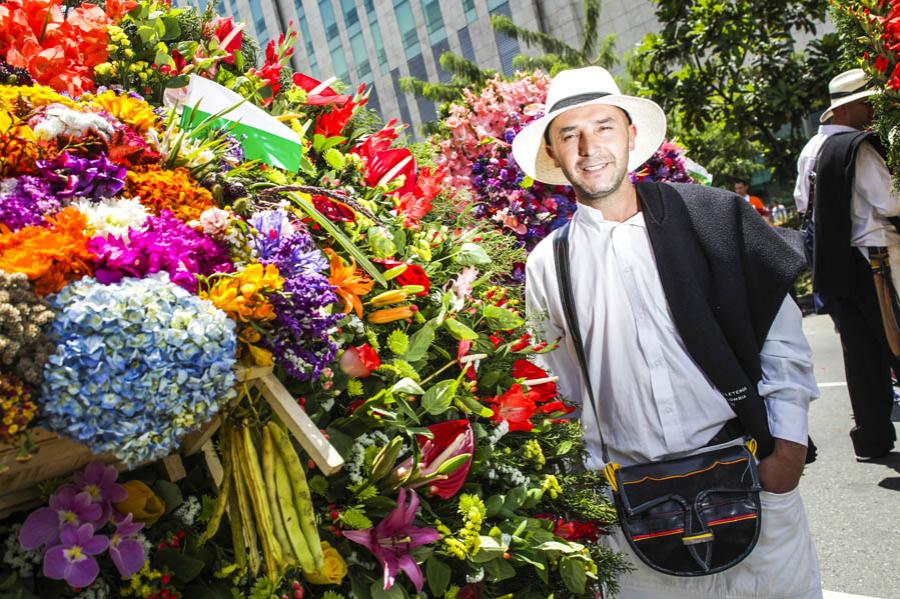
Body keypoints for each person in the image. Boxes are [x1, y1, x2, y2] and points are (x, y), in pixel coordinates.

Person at [514, 66, 821, 598]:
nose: (590, 146)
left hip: (749, 473)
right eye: (569, 133)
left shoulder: (714, 216)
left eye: (604, 126)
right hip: (633, 506)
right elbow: (556, 390)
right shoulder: (548, 264)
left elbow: (782, 344)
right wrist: (586, 500)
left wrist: (786, 454)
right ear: (555, 154)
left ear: (631, 136)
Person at [796, 68, 899, 461]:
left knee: (860, 352)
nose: (873, 109)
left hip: (836, 263)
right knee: (893, 339)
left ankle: (871, 436)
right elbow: (890, 202)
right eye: (867, 102)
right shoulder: (861, 147)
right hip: (875, 258)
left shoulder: (811, 149)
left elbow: (803, 203)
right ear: (847, 107)